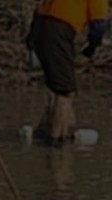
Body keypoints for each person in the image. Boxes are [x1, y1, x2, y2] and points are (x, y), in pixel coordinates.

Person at [28, 1, 107, 146]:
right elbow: (98, 26)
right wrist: (92, 46)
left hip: (41, 26)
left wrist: (31, 40)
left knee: (56, 85)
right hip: (57, 30)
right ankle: (55, 142)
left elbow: (40, 8)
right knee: (65, 92)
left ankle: (47, 130)